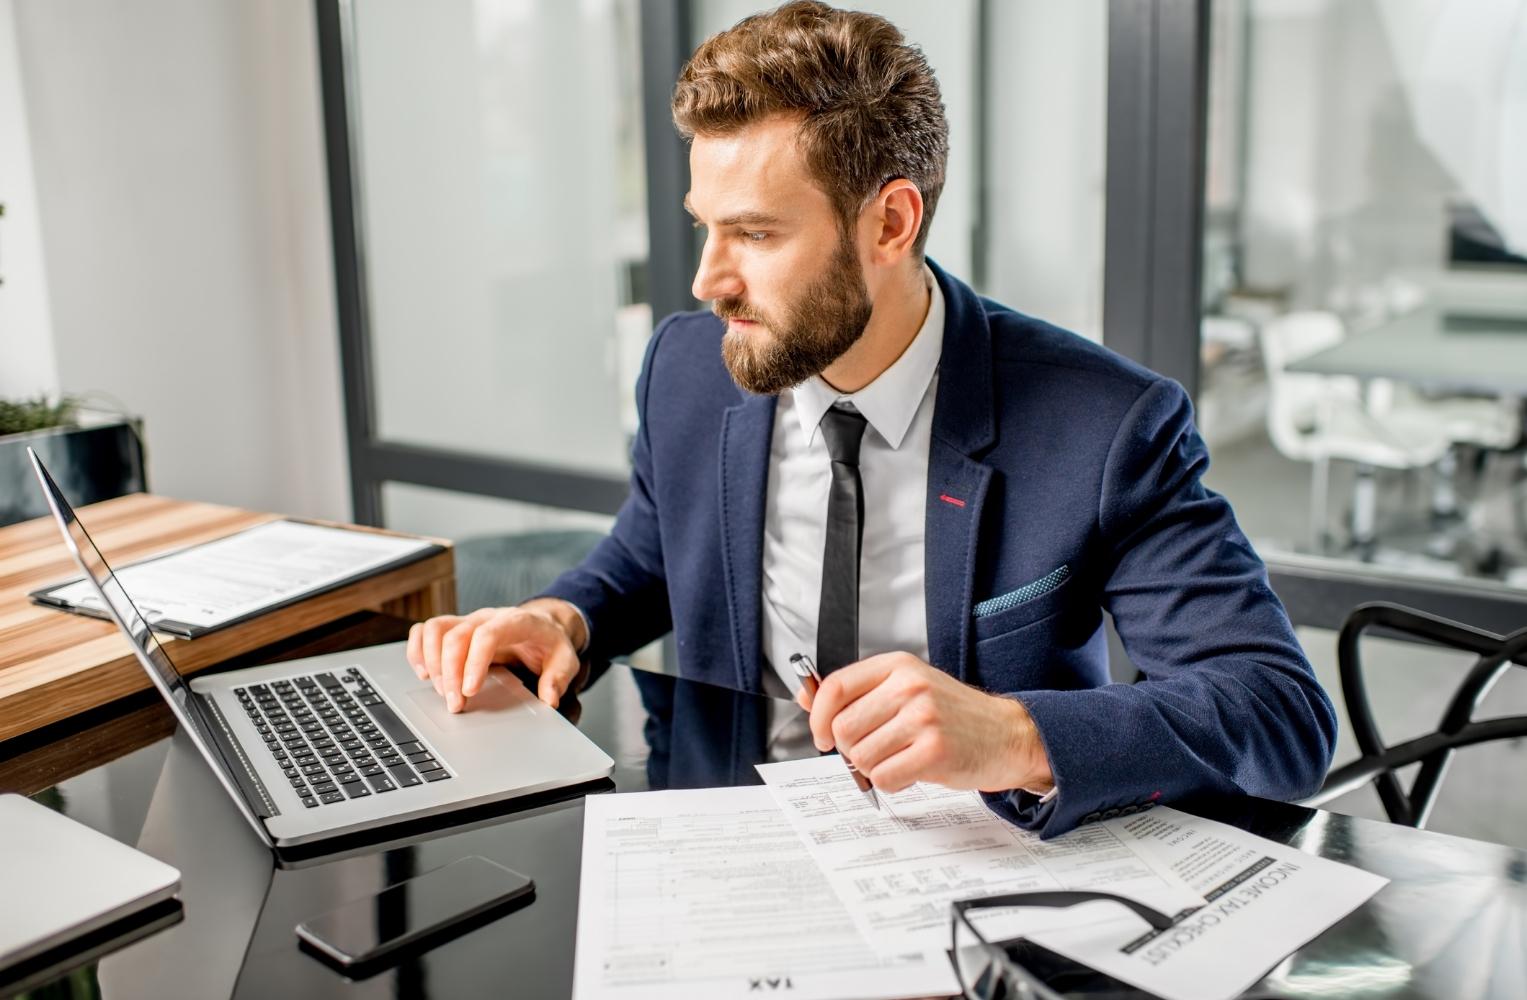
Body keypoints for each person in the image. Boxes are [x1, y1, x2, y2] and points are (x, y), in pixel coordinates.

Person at [407, 1, 1336, 836]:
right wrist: (562, 616)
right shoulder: (688, 368)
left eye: (757, 234)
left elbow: (1278, 715)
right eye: (705, 225)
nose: (706, 281)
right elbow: (650, 553)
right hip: (725, 836)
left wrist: (1013, 734)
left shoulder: (1104, 425)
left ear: (890, 223)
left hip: (981, 867)